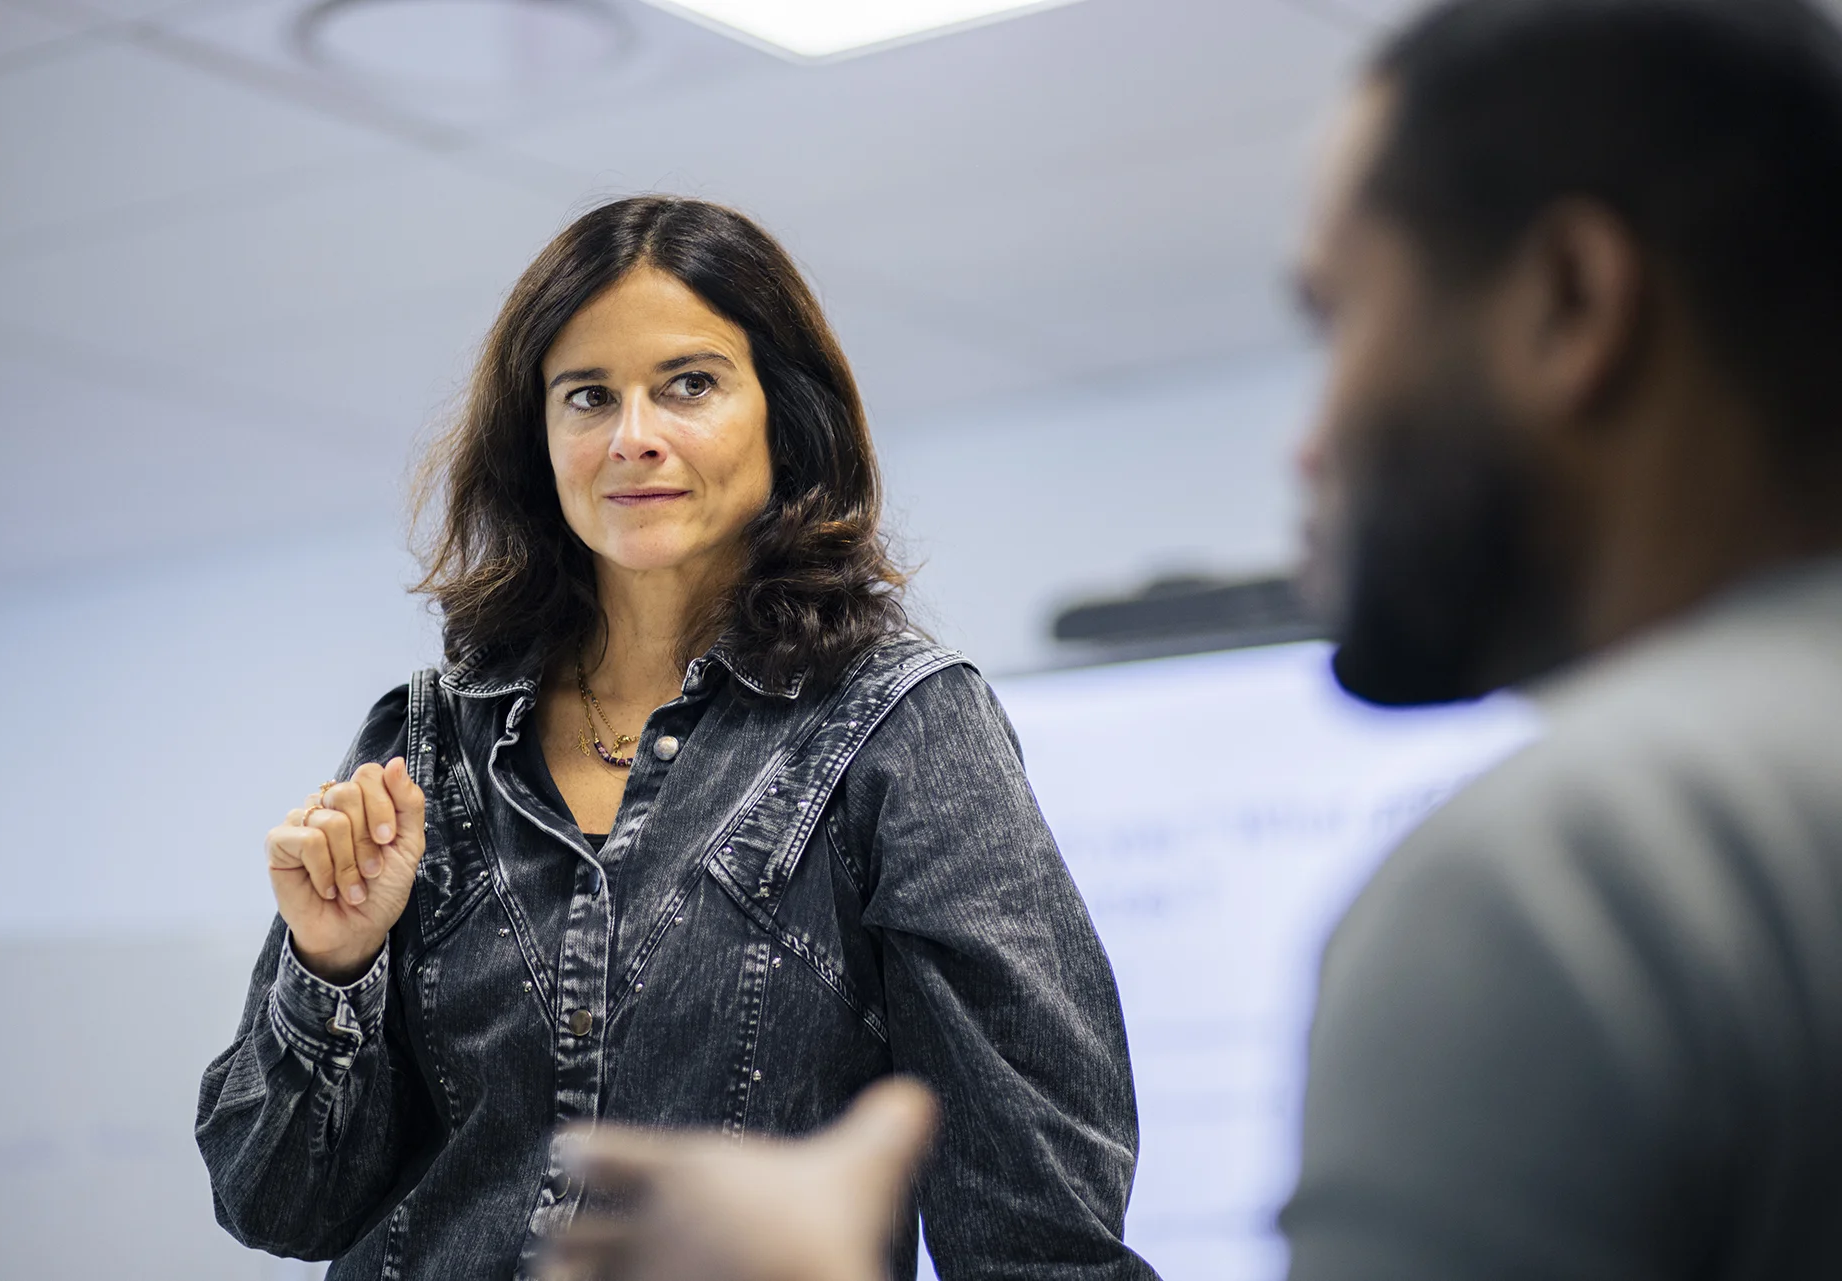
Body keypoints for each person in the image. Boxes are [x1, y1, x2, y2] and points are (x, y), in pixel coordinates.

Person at [548, 1, 1842, 1278]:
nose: (1308, 439)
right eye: (589, 398)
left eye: (1340, 318)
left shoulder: (1571, 886)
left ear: (1571, 304)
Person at [195, 196, 1155, 1281]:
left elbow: (1041, 1238)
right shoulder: (423, 737)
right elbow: (273, 1202)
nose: (632, 435)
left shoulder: (905, 725)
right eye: (588, 396)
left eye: (689, 384)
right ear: (539, 438)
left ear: (784, 420)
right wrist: (333, 965)